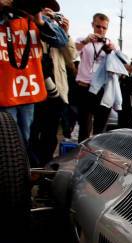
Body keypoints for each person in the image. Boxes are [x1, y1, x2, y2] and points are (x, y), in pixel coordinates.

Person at [0, 0, 67, 146]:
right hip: (5, 88)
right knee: (6, 139)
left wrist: (39, 20)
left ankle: (21, 166)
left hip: (28, 90)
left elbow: (62, 41)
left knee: (25, 137)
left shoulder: (37, 20)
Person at [30, 7, 76, 166]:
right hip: (34, 88)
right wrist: (40, 22)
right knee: (32, 132)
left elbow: (72, 57)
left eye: (52, 11)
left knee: (50, 136)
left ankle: (43, 170)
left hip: (57, 90)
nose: (49, 13)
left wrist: (65, 33)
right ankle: (30, 169)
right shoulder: (31, 24)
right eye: (44, 8)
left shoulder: (57, 32)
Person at [74, 12, 117, 141]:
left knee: (100, 130)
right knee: (84, 128)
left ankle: (97, 157)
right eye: (98, 26)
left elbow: (117, 66)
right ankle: (82, 157)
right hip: (85, 88)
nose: (101, 30)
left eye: (104, 28)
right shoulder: (83, 40)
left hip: (102, 89)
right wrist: (86, 41)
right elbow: (74, 50)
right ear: (93, 24)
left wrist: (111, 51)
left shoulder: (111, 44)